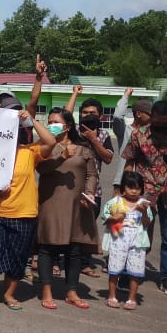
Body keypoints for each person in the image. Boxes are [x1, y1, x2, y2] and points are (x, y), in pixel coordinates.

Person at [0, 93, 56, 314]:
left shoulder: (30, 151)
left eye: (15, 112)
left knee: (18, 257)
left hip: (24, 214)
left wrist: (31, 118)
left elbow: (51, 141)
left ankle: (9, 294)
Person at [122, 100, 167, 297]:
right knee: (140, 235)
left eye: (166, 122)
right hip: (145, 191)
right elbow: (129, 162)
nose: (162, 126)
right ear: (151, 117)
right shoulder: (138, 134)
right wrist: (126, 188)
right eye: (158, 122)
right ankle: (130, 272)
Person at [35, 108, 99, 310]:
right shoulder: (44, 146)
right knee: (47, 247)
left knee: (75, 249)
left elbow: (92, 175)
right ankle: (46, 291)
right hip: (50, 202)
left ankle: (72, 291)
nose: (51, 125)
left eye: (56, 122)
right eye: (50, 121)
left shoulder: (84, 148)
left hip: (77, 205)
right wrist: (61, 156)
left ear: (68, 126)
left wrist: (89, 194)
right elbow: (41, 169)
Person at [64, 87, 114, 278]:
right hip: (69, 188)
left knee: (85, 228)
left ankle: (84, 263)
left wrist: (94, 140)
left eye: (93, 113)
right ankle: (59, 261)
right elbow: (66, 115)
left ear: (100, 116)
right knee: (66, 226)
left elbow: (108, 158)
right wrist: (75, 94)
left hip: (93, 191)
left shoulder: (103, 136)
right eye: (85, 112)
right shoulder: (73, 131)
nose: (88, 115)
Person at [100, 172, 154, 310]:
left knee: (135, 270)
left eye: (137, 188)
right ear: (123, 188)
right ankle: (111, 296)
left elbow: (147, 224)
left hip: (137, 241)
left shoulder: (144, 204)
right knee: (114, 268)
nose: (134, 191)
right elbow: (105, 218)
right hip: (119, 238)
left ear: (142, 189)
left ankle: (131, 298)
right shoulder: (115, 202)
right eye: (131, 187)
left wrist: (143, 213)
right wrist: (115, 217)